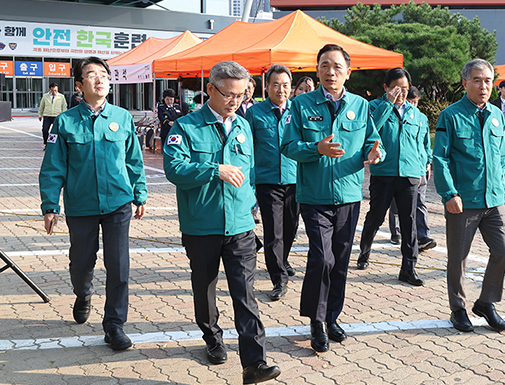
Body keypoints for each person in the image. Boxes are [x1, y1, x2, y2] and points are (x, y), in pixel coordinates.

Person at [163, 61, 280, 384]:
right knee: (206, 288)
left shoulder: (243, 126)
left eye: (241, 96)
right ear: (211, 90)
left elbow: (251, 172)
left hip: (240, 227)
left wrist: (251, 207)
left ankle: (254, 363)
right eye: (229, 94)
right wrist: (215, 169)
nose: (235, 102)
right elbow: (175, 170)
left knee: (246, 294)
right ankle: (212, 337)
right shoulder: (185, 127)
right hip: (202, 226)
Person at [39, 56, 147, 350]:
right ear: (78, 85)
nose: (99, 79)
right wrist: (50, 206)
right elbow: (53, 167)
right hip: (81, 205)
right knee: (82, 263)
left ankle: (114, 325)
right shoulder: (64, 122)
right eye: (91, 75)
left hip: (118, 203)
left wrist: (140, 193)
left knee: (119, 266)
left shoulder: (122, 118)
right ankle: (83, 292)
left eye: (104, 75)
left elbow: (134, 160)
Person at [281, 44, 384, 353]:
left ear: (348, 72)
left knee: (339, 261)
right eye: (325, 65)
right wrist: (316, 149)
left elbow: (372, 140)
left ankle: (331, 317)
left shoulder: (360, 106)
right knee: (321, 258)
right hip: (314, 196)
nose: (330, 71)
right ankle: (315, 320)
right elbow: (288, 146)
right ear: (317, 70)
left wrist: (376, 151)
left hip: (349, 195)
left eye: (337, 66)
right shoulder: (300, 105)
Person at [433, 58, 505, 333]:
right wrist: (449, 193)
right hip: (462, 201)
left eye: (488, 80)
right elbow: (440, 158)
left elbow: (501, 155)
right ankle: (458, 309)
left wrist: (499, 184)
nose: (483, 86)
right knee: (458, 257)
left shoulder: (496, 115)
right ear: (465, 82)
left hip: (493, 201)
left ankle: (486, 302)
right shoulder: (451, 115)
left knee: (503, 251)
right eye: (477, 80)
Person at [356, 68, 427, 287]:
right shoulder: (374, 107)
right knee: (376, 216)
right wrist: (388, 103)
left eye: (405, 89)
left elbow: (423, 144)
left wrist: (425, 163)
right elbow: (369, 129)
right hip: (384, 173)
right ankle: (364, 250)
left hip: (409, 175)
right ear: (386, 88)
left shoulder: (417, 115)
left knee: (409, 222)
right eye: (397, 88)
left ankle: (408, 267)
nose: (401, 93)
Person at [245, 64, 299, 302]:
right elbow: (247, 149)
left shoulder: (297, 111)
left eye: (285, 85)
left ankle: (282, 260)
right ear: (267, 87)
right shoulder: (255, 113)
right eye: (275, 85)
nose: (281, 89)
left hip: (296, 180)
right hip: (267, 181)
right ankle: (278, 278)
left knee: (290, 229)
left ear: (291, 88)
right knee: (273, 233)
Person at [387, 86, 436, 252]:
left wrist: (428, 162)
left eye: (416, 102)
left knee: (420, 203)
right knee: (395, 205)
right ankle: (396, 232)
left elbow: (425, 143)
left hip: (419, 168)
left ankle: (423, 236)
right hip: (399, 169)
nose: (414, 105)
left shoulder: (421, 118)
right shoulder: (394, 114)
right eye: (411, 102)